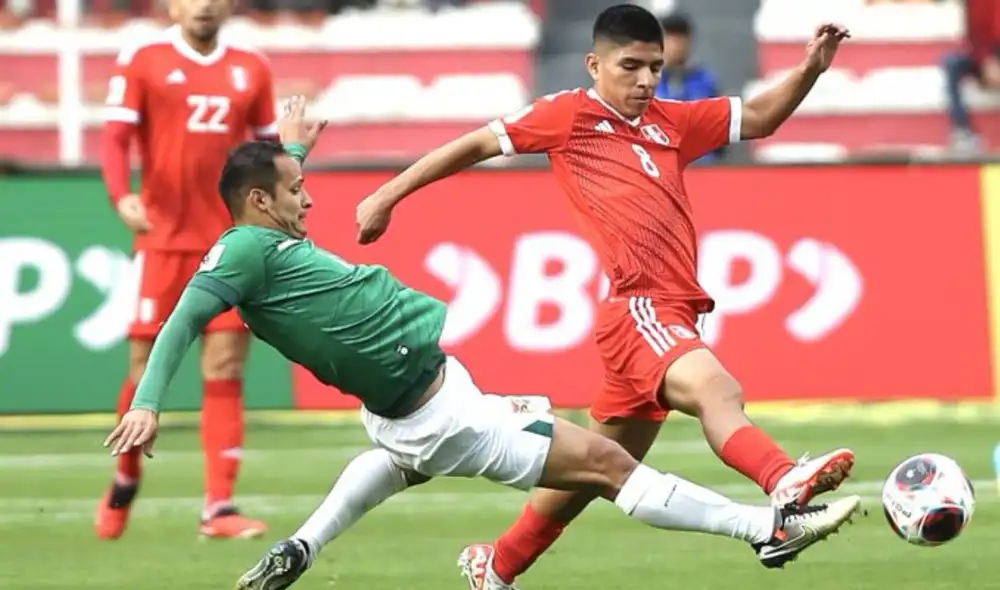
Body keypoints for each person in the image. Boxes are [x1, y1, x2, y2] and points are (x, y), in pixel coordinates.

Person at [103, 99, 861, 590]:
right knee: (605, 464)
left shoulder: (269, 246)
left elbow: (273, 218)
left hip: (417, 407)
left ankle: (301, 550)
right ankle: (765, 529)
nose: (310, 196)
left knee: (397, 461)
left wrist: (292, 143)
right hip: (445, 415)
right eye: (296, 187)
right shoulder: (238, 253)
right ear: (261, 202)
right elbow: (180, 320)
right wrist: (147, 403)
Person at [352, 4, 854, 588]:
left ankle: (498, 565)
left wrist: (810, 69)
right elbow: (475, 144)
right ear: (595, 64)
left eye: (655, 68)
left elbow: (762, 117)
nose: (644, 81)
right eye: (630, 66)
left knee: (593, 468)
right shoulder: (568, 116)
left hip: (668, 310)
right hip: (639, 305)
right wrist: (389, 194)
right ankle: (782, 480)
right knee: (717, 389)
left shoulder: (673, 120)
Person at [97, 0, 278, 540]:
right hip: (163, 242)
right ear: (171, 6)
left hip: (230, 243)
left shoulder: (253, 67)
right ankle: (125, 476)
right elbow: (115, 136)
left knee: (224, 367)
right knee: (144, 365)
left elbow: (270, 150)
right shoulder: (144, 58)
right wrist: (119, 195)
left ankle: (218, 507)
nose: (202, 4)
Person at [655, 12, 723, 163]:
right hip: (658, 162)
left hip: (701, 164)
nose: (676, 46)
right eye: (671, 38)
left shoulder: (704, 80)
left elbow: (717, 128)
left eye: (681, 39)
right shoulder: (647, 81)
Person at [941, 0, 1000, 153]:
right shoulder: (972, 4)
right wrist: (985, 60)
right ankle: (963, 131)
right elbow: (974, 38)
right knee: (951, 63)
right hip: (982, 57)